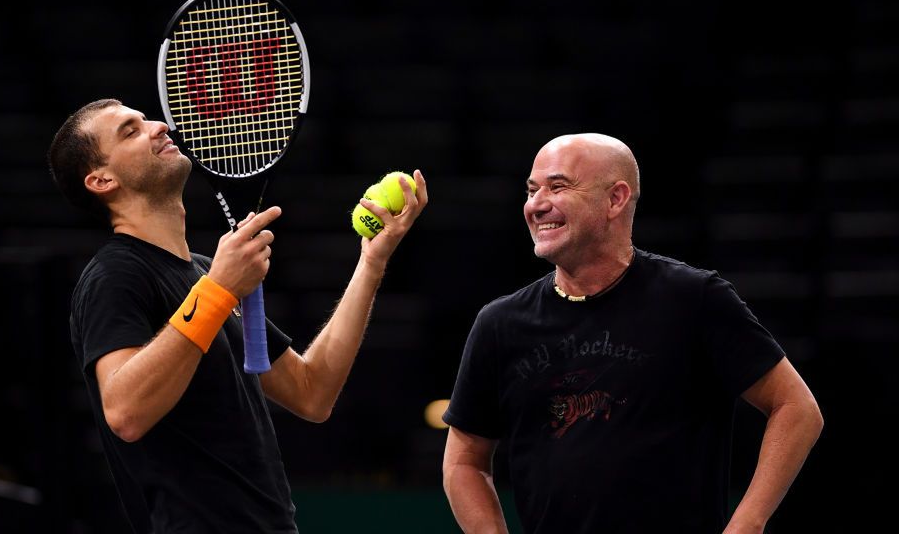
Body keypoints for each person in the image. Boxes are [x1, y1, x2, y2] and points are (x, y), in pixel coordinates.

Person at [47, 98, 427, 533]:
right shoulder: (115, 275)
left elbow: (311, 392)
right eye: (130, 131)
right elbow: (125, 412)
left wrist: (371, 263)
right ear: (101, 180)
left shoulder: (207, 273)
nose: (158, 127)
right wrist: (219, 291)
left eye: (146, 119)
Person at [442, 133, 822, 534]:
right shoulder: (500, 323)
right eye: (532, 190)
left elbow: (796, 408)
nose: (536, 205)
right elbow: (463, 459)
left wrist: (747, 522)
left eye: (557, 186)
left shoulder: (693, 298)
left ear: (616, 199)